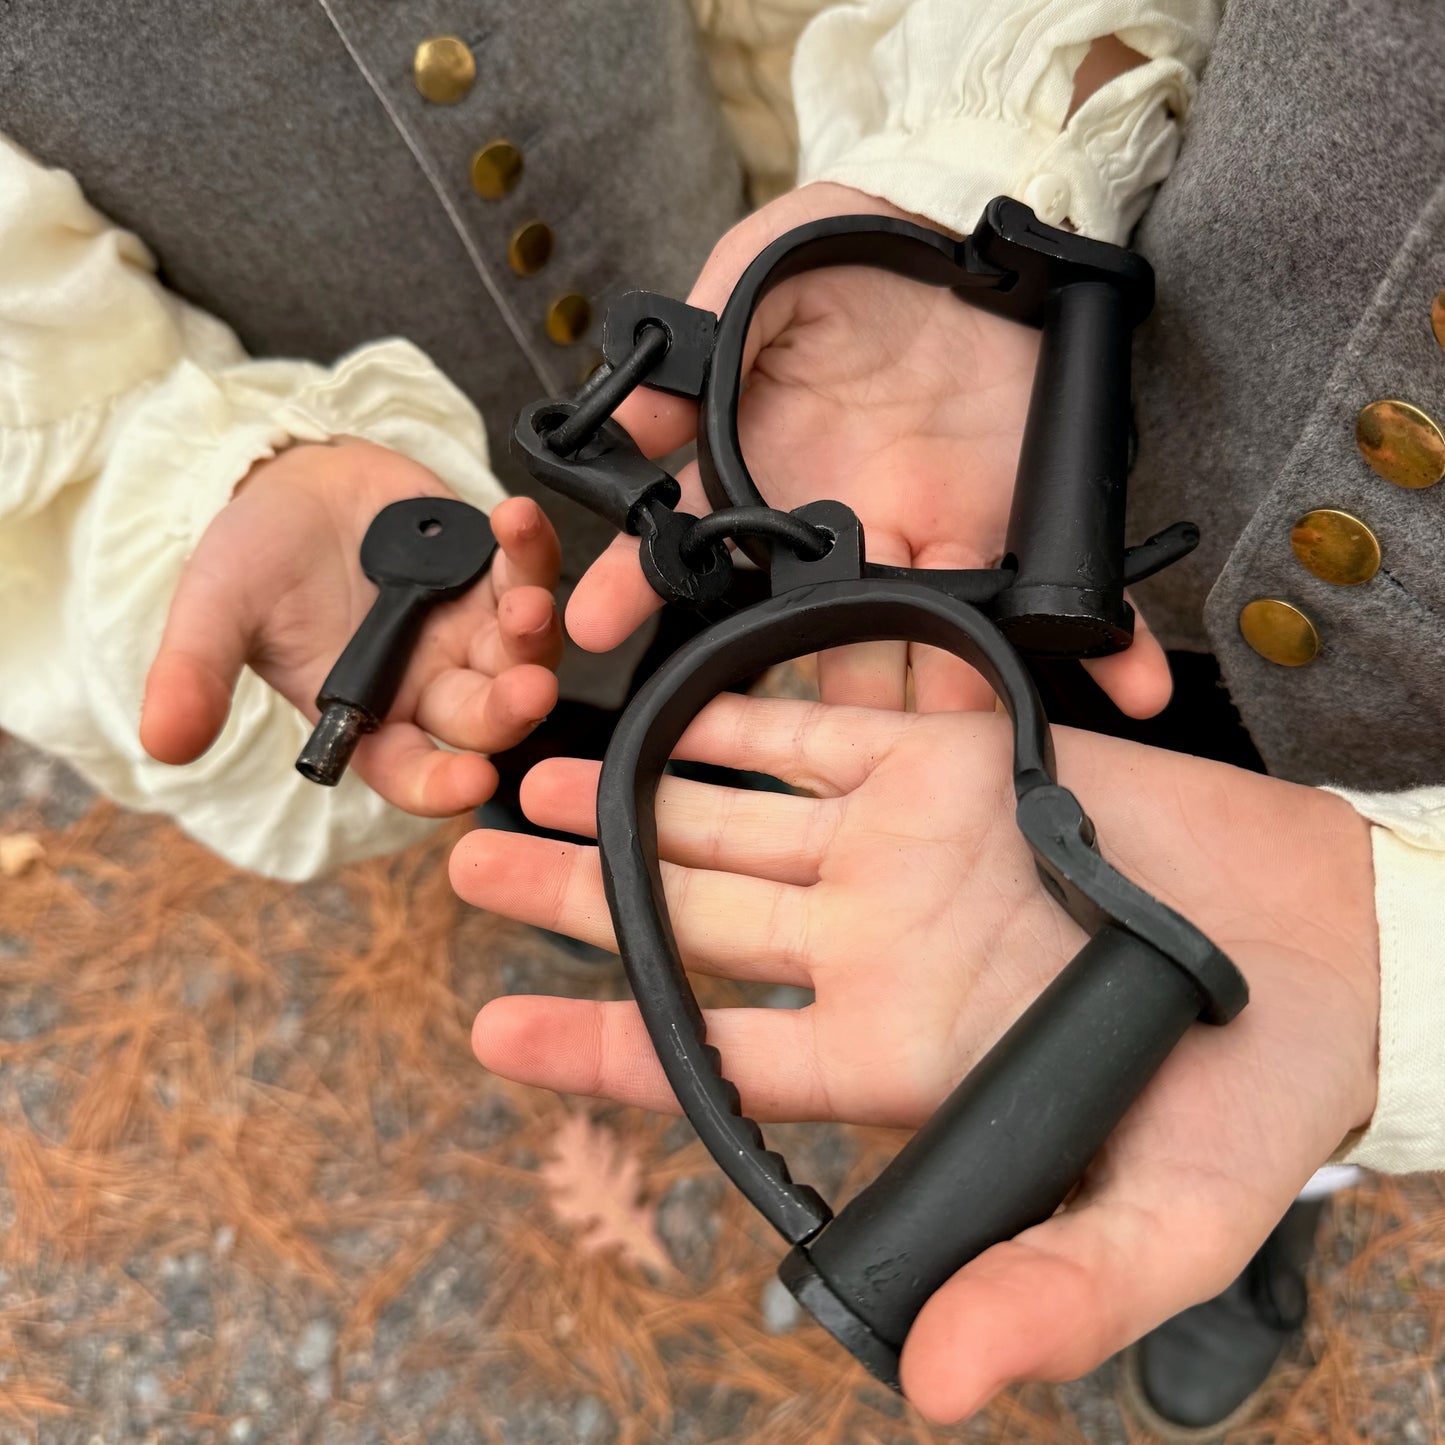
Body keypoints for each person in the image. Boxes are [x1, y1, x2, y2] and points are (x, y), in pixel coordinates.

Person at [455, 0, 1445, 1437]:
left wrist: (1400, 962)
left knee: (1225, 988)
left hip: (1357, 719)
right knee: (1037, 781)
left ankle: (1290, 1173)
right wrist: (985, 191)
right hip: (1072, 511)